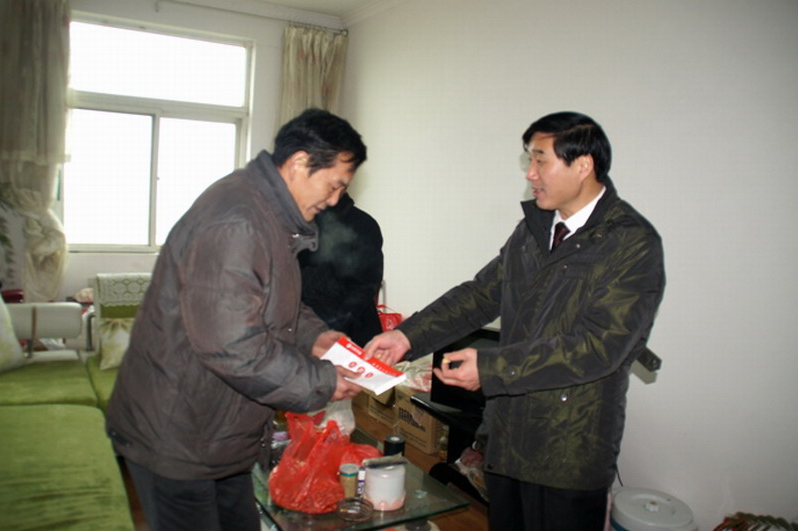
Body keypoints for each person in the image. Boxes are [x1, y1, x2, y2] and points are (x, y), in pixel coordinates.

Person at [364, 111, 666, 530]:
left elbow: (599, 347)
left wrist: (490, 368)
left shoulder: (632, 243)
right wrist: (406, 336)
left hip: (568, 450)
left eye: (541, 160)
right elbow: (480, 294)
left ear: (583, 165)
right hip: (506, 435)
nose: (531, 174)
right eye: (530, 160)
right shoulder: (535, 229)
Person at [106, 108, 368, 531]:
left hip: (218, 430)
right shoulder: (238, 222)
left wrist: (316, 337)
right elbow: (233, 346)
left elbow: (266, 302)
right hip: (179, 435)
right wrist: (321, 380)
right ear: (300, 162)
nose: (335, 200)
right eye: (334, 184)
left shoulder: (269, 216)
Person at [298, 192, 384, 347]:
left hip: (350, 334)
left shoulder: (362, 224)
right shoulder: (292, 224)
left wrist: (324, 330)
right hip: (299, 331)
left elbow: (364, 288)